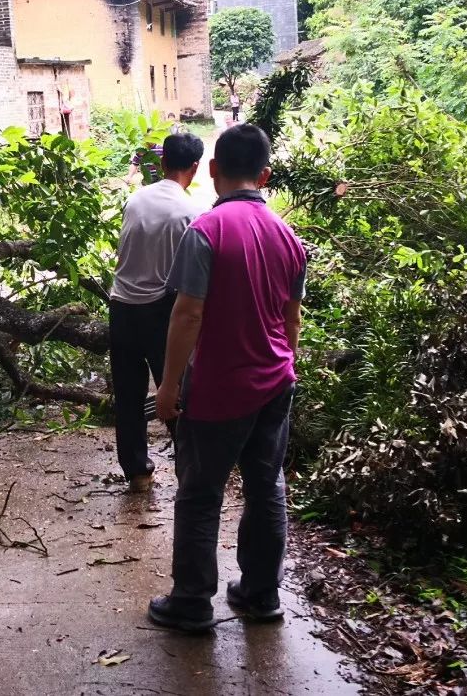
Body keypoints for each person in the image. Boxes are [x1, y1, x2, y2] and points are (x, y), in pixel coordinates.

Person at [148, 124, 305, 632]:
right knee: (267, 488)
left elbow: (187, 315)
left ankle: (192, 601)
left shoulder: (206, 233)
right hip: (276, 382)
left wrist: (169, 387)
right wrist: (285, 366)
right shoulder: (290, 238)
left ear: (213, 170)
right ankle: (261, 595)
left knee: (199, 493)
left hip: (219, 388)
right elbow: (291, 320)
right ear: (265, 175)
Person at [109, 133, 207, 493]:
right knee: (176, 391)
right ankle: (190, 470)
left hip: (121, 307)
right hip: (159, 311)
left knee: (128, 395)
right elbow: (189, 281)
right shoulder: (191, 212)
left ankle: (137, 473)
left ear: (163, 164)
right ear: (195, 168)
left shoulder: (135, 200)